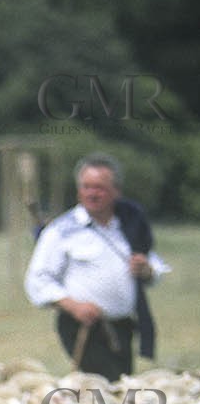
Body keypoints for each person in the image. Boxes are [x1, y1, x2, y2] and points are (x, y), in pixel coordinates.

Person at [24, 154, 169, 382]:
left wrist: (147, 270)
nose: (92, 193)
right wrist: (73, 305)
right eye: (86, 187)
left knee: (119, 386)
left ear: (116, 191)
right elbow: (38, 279)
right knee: (105, 385)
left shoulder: (130, 225)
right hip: (83, 327)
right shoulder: (61, 230)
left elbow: (155, 266)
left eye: (100, 188)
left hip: (122, 327)